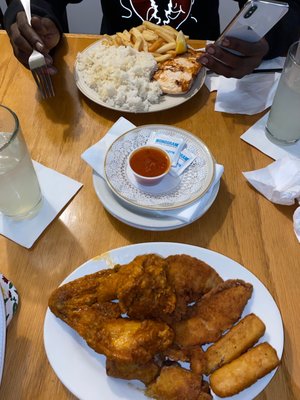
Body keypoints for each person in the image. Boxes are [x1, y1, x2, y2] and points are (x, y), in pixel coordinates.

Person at [3, 0, 300, 78]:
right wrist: (33, 16)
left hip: (201, 74)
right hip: (112, 75)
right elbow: (34, 1)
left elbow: (282, 8)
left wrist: (264, 38)